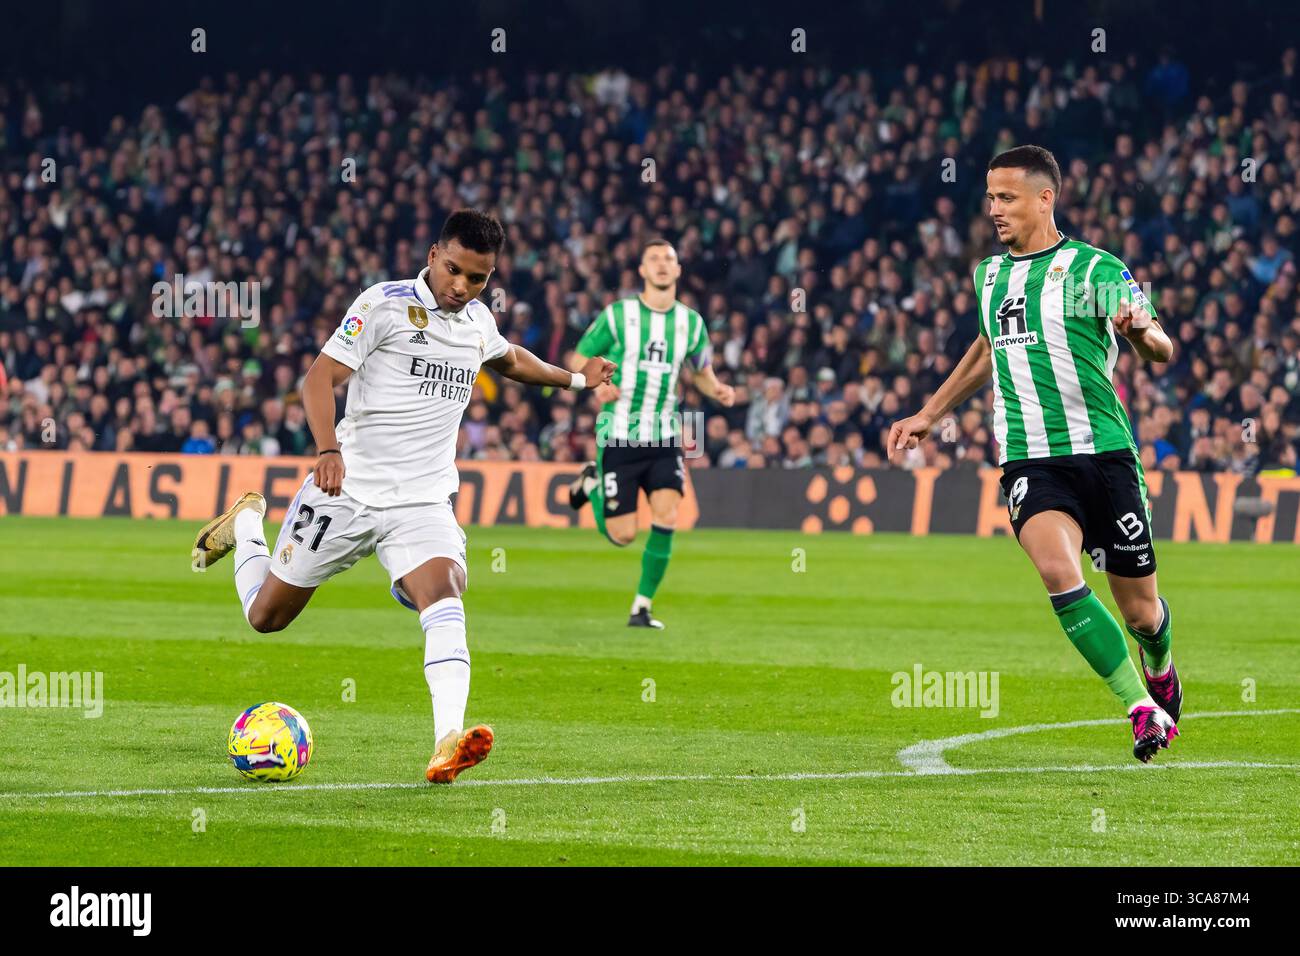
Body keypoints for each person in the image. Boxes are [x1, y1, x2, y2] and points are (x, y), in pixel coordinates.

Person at [192, 210, 614, 783]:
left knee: (446, 593)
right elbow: (317, 379)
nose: (462, 287)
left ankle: (447, 741)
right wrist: (325, 451)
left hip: (422, 501)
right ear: (434, 253)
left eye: (479, 279)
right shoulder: (382, 305)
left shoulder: (476, 322)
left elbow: (510, 358)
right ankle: (246, 524)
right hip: (345, 491)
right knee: (265, 618)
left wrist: (579, 381)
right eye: (455, 270)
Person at [889, 146, 1182, 763]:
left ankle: (1159, 661)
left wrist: (1138, 331)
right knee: (1057, 571)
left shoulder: (1093, 270)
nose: (993, 209)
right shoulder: (989, 276)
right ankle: (1138, 708)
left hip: (1104, 455)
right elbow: (986, 349)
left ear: (1045, 198)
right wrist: (929, 413)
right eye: (990, 198)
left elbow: (1162, 347)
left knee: (1141, 611)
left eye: (1007, 197)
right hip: (1029, 458)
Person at [567, 239, 735, 629]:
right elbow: (578, 358)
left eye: (669, 259)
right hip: (619, 436)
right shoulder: (617, 315)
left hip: (664, 437)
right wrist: (597, 384)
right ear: (642, 270)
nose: (662, 265)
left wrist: (719, 389)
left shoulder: (691, 323)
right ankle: (593, 481)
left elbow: (701, 374)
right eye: (654, 259)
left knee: (668, 515)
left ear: (678, 271)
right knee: (623, 535)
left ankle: (641, 607)